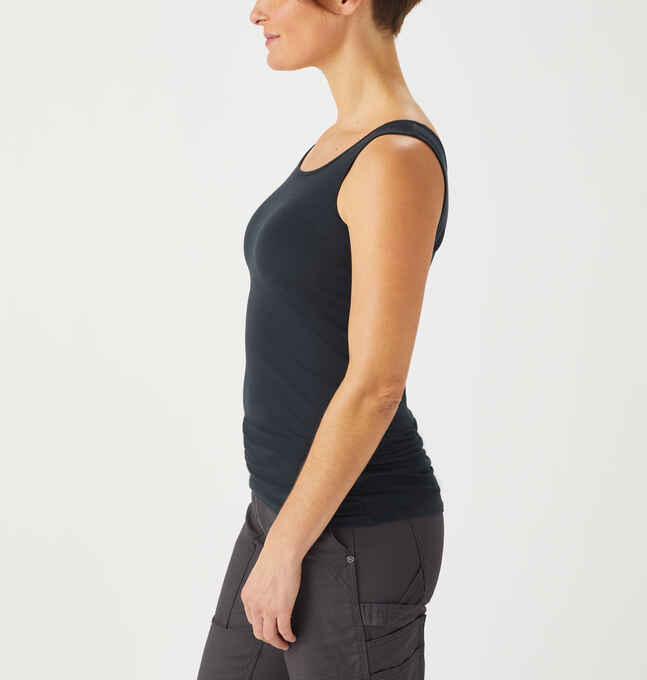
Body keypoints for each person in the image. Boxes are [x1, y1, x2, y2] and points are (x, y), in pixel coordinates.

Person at [197, 1, 451, 678]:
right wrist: (278, 536)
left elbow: (376, 385)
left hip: (354, 533)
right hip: (285, 513)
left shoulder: (395, 157)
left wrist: (285, 548)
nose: (256, 12)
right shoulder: (341, 141)